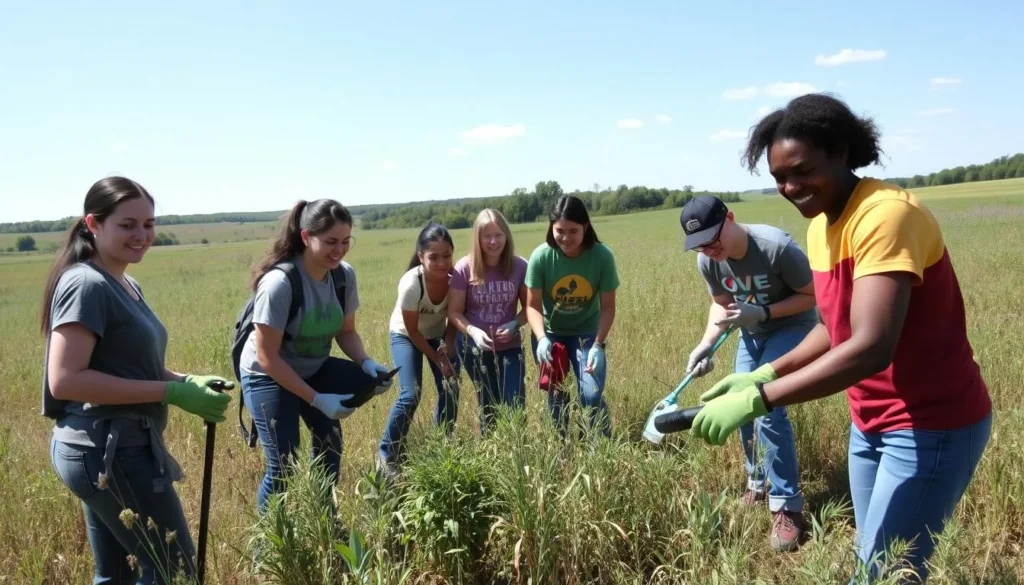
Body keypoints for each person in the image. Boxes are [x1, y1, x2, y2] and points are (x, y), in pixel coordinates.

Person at [691, 93, 992, 583]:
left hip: (930, 427)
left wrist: (760, 399)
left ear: (842, 152)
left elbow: (873, 346)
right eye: (779, 178)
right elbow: (833, 328)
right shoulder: (821, 228)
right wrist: (765, 371)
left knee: (884, 571)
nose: (790, 187)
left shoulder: (885, 216)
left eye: (802, 170)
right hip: (869, 423)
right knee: (871, 561)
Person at [41, 176, 232, 584]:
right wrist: (172, 392)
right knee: (173, 569)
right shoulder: (86, 284)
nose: (141, 235)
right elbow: (66, 379)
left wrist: (187, 380)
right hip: (109, 451)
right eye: (127, 225)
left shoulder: (125, 282)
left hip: (103, 448)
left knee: (116, 575)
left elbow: (131, 366)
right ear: (93, 224)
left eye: (148, 224)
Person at [679, 194, 818, 553]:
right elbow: (721, 307)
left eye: (712, 239)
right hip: (751, 333)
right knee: (736, 404)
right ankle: (757, 481)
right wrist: (705, 345)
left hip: (794, 329)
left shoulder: (775, 247)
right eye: (700, 245)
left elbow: (812, 295)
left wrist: (764, 312)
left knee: (765, 406)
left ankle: (787, 505)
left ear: (731, 219)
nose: (709, 249)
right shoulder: (708, 262)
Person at [238, 199, 393, 514]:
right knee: (284, 464)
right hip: (266, 374)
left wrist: (367, 364)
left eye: (346, 241)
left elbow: (346, 332)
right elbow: (268, 357)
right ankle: (269, 546)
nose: (340, 249)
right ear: (307, 237)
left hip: (313, 367)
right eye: (331, 242)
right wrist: (318, 400)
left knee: (330, 444)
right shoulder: (280, 284)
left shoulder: (342, 276)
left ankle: (325, 520)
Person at [525, 194, 619, 437]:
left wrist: (598, 344)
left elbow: (608, 307)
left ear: (585, 227)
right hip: (551, 337)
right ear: (551, 228)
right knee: (557, 397)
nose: (565, 238)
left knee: (591, 394)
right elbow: (532, 306)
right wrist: (541, 338)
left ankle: (602, 446)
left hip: (587, 335)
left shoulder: (602, 256)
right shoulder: (541, 257)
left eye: (573, 231)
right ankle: (561, 448)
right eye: (559, 231)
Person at [378, 221, 462, 475]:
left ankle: (441, 443)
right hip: (406, 336)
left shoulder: (456, 280)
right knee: (411, 393)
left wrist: (448, 344)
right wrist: (437, 360)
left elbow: (455, 315)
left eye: (447, 255)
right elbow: (413, 331)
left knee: (451, 385)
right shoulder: (411, 284)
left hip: (439, 334)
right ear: (420, 257)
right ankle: (387, 453)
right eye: (433, 257)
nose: (441, 263)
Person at [448, 208, 529, 434]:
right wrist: (473, 331)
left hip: (510, 347)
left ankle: (516, 449)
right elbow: (454, 312)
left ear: (507, 236)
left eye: (499, 235)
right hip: (475, 349)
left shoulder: (520, 266)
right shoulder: (465, 267)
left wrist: (515, 324)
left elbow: (530, 307)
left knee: (515, 402)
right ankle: (490, 451)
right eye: (487, 236)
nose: (493, 241)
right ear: (478, 238)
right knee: (488, 403)